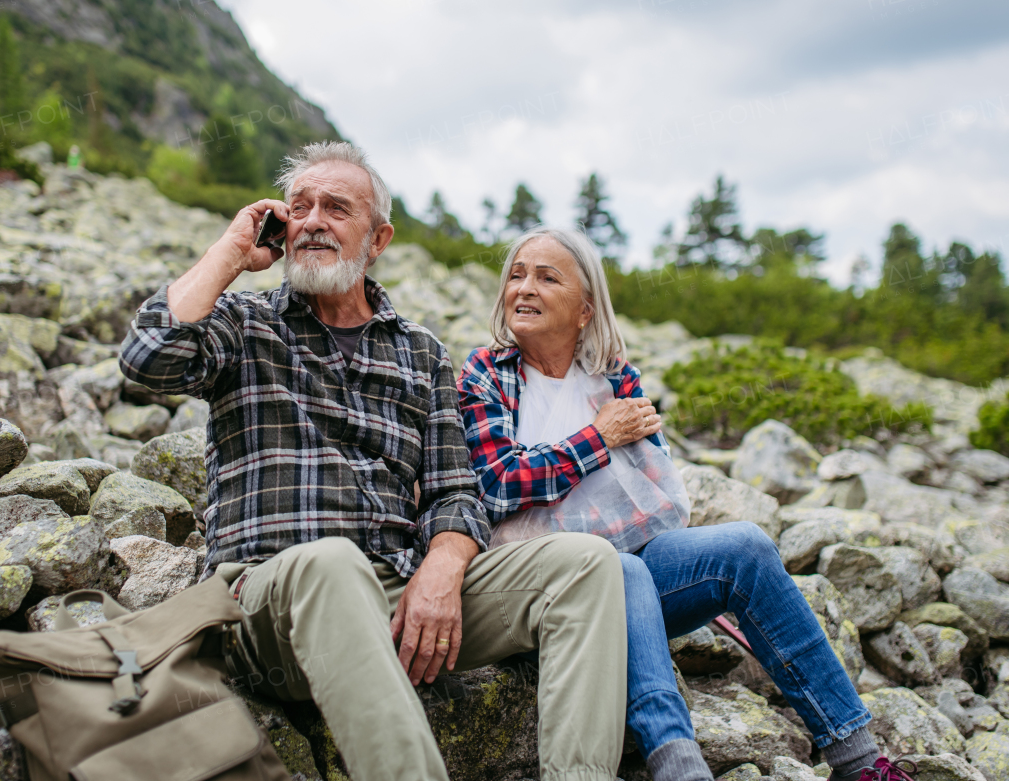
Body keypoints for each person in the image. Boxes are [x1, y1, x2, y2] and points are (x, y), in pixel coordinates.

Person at [119, 143, 629, 781]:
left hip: (392, 591)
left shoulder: (420, 351)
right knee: (333, 563)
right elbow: (147, 357)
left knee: (586, 564)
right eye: (298, 207)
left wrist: (442, 568)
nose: (311, 221)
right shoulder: (242, 324)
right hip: (267, 598)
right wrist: (231, 254)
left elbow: (455, 494)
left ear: (379, 237)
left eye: (336, 208)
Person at [457, 226, 915, 781]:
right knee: (616, 567)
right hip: (536, 597)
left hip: (631, 575)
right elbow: (496, 485)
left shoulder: (612, 377)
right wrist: (597, 439)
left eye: (547, 277)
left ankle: (858, 758)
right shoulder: (486, 373)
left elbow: (653, 500)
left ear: (584, 311)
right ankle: (679, 765)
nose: (523, 288)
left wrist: (603, 443)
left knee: (743, 545)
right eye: (516, 274)